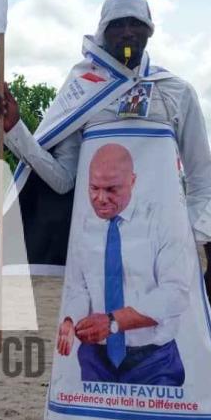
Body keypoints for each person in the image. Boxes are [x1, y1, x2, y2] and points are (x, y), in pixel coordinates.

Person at [0, 0, 211, 313]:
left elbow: (200, 182)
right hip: (96, 250)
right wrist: (14, 129)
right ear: (103, 32)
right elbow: (62, 180)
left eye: (136, 23)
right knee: (94, 340)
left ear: (149, 30)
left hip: (163, 250)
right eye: (117, 24)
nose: (127, 32)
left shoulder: (177, 91)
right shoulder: (82, 91)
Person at [57, 143, 188, 386]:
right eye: (93, 188)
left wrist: (114, 322)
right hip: (95, 358)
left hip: (154, 360)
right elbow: (79, 288)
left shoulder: (162, 223)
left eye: (111, 189)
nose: (100, 198)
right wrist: (69, 320)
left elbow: (175, 293)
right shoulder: (84, 227)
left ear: (133, 181)